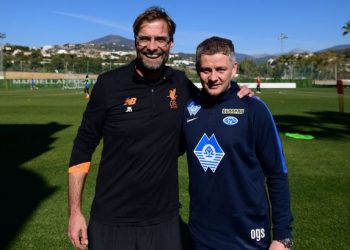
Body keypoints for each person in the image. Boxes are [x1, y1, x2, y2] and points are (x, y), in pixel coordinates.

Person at [67, 7, 252, 250]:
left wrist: (238, 92)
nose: (152, 46)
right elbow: (82, 147)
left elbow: (213, 99)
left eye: (160, 39)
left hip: (164, 221)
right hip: (111, 219)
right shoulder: (108, 84)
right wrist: (75, 212)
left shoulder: (180, 83)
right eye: (145, 38)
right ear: (135, 41)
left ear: (170, 44)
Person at [182, 37, 293, 250]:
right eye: (206, 70)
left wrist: (282, 237)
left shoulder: (254, 109)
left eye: (221, 69)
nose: (213, 77)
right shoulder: (189, 110)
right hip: (201, 235)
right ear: (197, 70)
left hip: (247, 234)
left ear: (234, 69)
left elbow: (277, 172)